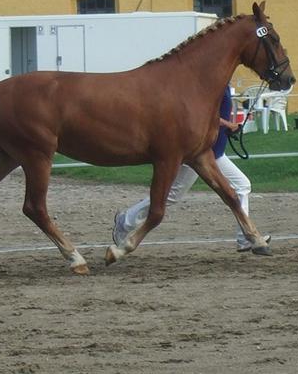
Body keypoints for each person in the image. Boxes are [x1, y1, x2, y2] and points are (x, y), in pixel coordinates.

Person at [113, 85, 267, 252]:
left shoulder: (223, 83)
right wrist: (229, 125)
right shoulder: (211, 84)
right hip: (198, 153)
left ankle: (244, 238)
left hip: (215, 152)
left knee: (242, 184)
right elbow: (202, 116)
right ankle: (126, 220)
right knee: (171, 195)